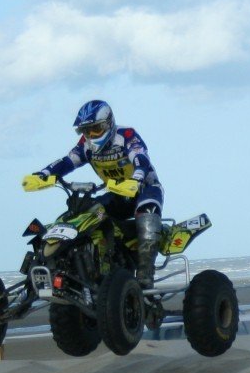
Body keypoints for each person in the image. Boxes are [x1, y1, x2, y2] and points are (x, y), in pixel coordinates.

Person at [23, 99, 164, 289]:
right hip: (116, 194)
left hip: (144, 189)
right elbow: (68, 161)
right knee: (85, 214)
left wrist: (136, 178)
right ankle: (83, 267)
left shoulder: (127, 135)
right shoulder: (86, 145)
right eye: (86, 131)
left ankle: (146, 274)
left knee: (147, 213)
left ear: (109, 123)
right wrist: (44, 174)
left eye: (96, 129)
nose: (91, 135)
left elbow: (141, 159)